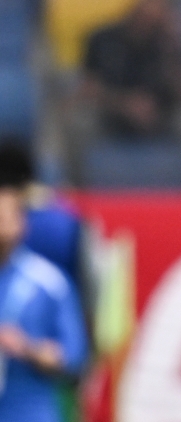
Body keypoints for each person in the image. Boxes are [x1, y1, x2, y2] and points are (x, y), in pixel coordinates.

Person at [65, 0, 181, 185]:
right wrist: (125, 104)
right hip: (112, 112)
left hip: (159, 115)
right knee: (79, 121)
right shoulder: (103, 38)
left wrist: (174, 48)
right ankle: (78, 187)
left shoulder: (170, 42)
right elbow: (87, 88)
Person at [0, 150, 89, 422]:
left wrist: (26, 347)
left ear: (22, 222)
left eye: (7, 214)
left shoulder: (49, 283)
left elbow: (73, 357)